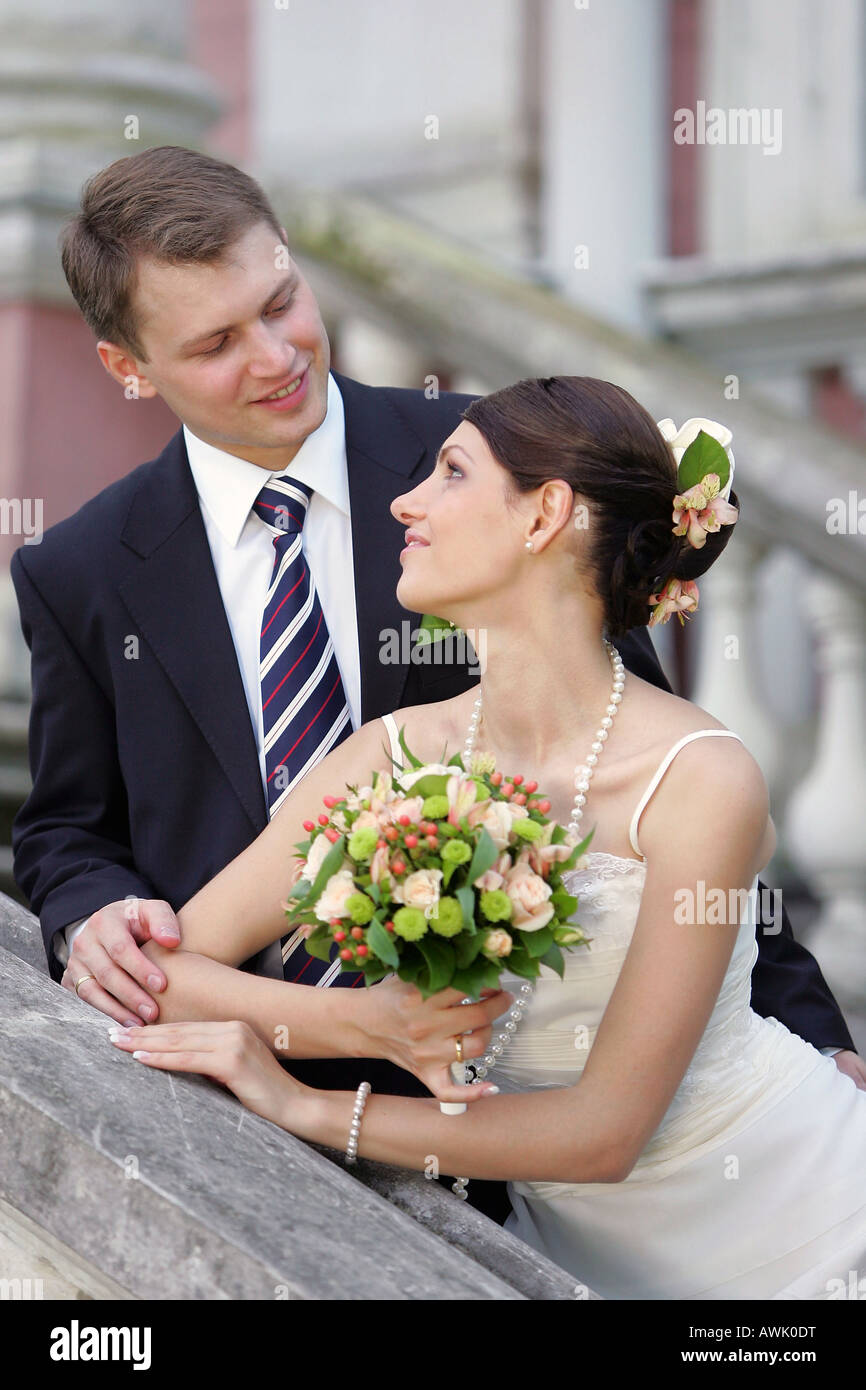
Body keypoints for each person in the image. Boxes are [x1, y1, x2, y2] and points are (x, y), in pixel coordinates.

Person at [107, 376, 866, 1299]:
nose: (403, 500)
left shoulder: (701, 777)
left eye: (452, 472)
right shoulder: (385, 759)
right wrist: (367, 1025)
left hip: (819, 1225)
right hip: (589, 1268)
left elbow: (607, 1131)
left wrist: (305, 1103)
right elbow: (168, 974)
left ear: (545, 513)